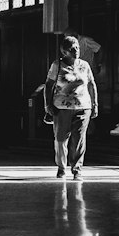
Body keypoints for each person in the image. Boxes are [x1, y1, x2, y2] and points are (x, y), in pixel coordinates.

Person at [44, 33, 98, 178]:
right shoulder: (57, 65)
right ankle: (61, 168)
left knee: (79, 139)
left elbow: (92, 84)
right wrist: (47, 104)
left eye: (78, 47)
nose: (77, 50)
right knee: (61, 139)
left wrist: (94, 104)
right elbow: (48, 85)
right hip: (61, 108)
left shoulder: (84, 65)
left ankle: (77, 169)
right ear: (64, 51)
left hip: (83, 106)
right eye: (73, 48)